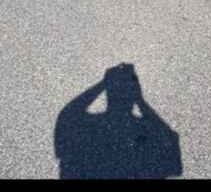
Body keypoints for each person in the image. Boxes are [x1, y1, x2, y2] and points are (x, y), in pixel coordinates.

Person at [54, 63, 182, 180]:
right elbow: (167, 139)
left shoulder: (92, 126)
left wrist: (103, 84)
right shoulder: (143, 129)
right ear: (133, 94)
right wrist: (140, 101)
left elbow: (68, 116)